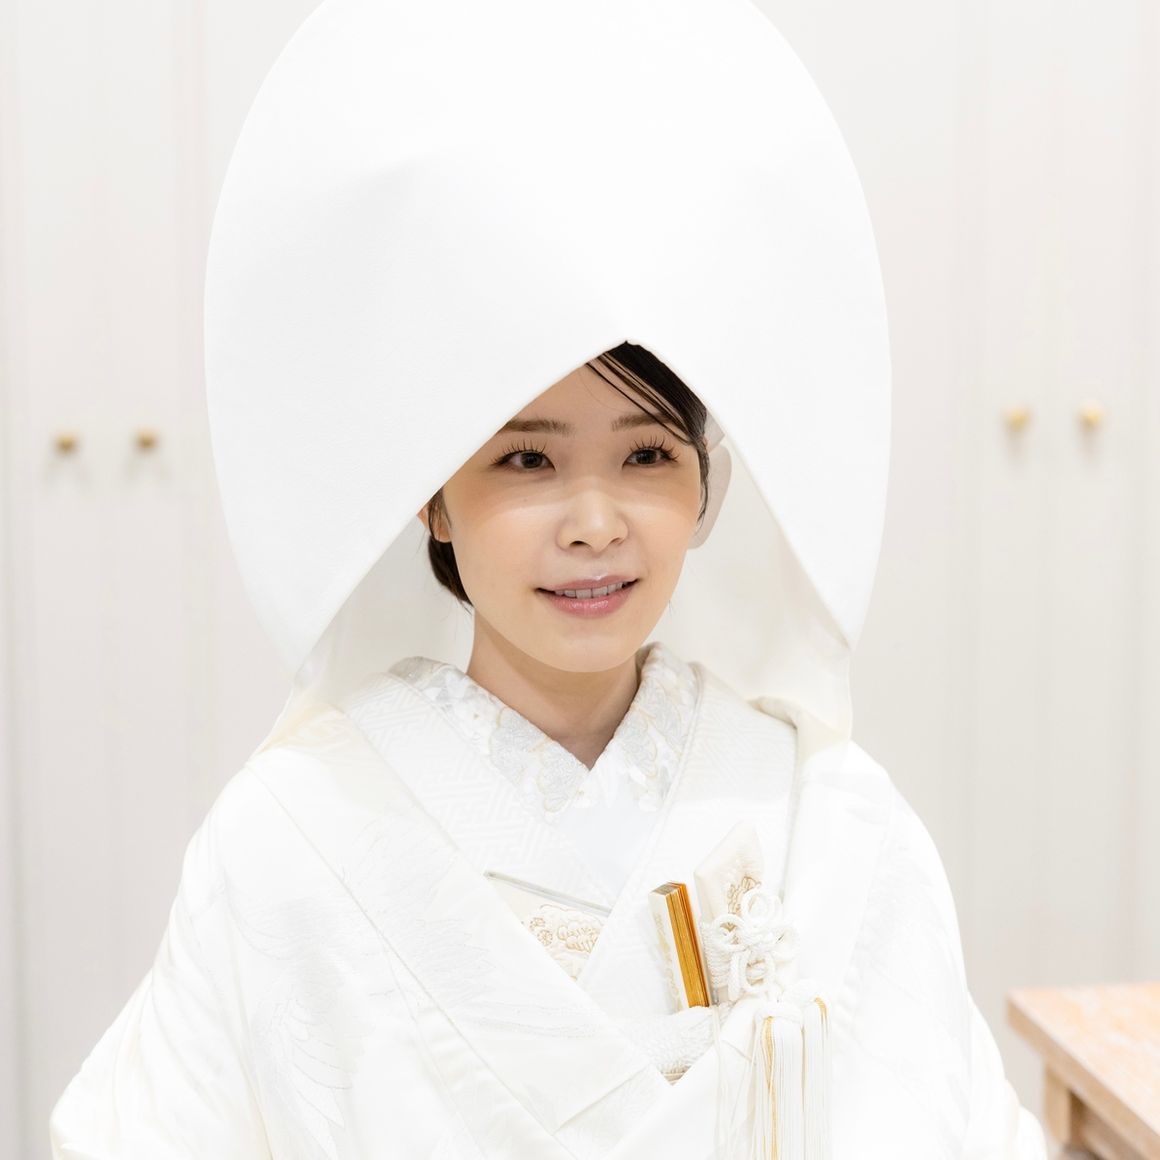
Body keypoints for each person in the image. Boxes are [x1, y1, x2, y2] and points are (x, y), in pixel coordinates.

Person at [49, 0, 1049, 1157]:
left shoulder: (823, 812)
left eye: (646, 457)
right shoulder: (289, 835)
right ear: (431, 496)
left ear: (705, 486)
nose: (593, 524)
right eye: (526, 460)